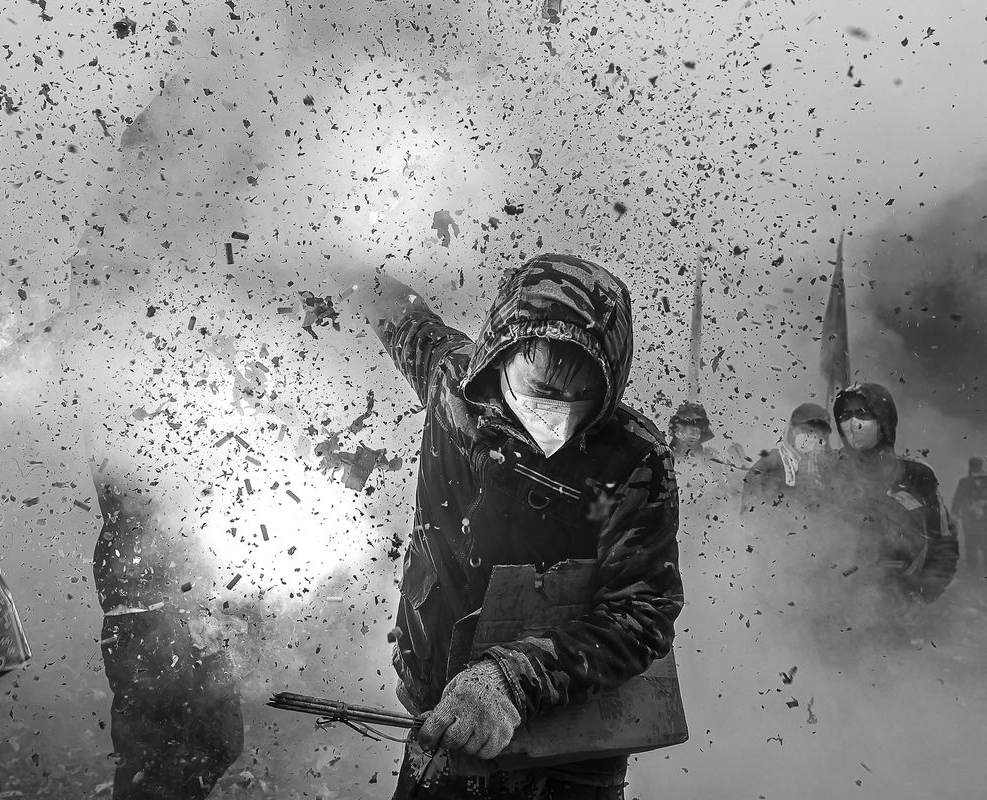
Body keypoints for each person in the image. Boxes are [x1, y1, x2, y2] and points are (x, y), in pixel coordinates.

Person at [357, 254, 682, 800]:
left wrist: (512, 681)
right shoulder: (451, 382)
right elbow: (400, 315)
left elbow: (642, 612)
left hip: (567, 747)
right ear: (502, 350)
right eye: (539, 386)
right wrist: (339, 264)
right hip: (443, 710)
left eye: (580, 395)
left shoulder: (632, 461)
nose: (555, 413)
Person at [90, 461, 243, 800]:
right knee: (156, 769)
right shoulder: (115, 425)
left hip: (190, 600)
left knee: (221, 740)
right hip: (144, 615)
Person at [827, 384, 959, 621]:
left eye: (863, 414)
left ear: (884, 420)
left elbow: (944, 544)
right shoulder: (827, 473)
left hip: (898, 610)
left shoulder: (917, 476)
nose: (853, 423)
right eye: (845, 415)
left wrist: (922, 595)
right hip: (835, 610)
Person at [741, 402, 834, 515]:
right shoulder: (770, 463)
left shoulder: (827, 469)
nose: (812, 436)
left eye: (819, 433)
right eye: (806, 429)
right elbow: (751, 510)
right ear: (791, 429)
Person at [950, 457, 987, 573]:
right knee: (970, 543)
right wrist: (954, 514)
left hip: (984, 519)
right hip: (968, 519)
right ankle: (972, 569)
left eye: (978, 471)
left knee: (986, 544)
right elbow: (957, 499)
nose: (976, 474)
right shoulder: (964, 482)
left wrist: (983, 509)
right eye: (974, 471)